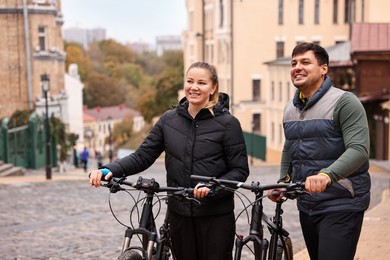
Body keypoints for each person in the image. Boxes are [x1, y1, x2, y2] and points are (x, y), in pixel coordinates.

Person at [89, 61, 249, 260]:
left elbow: (239, 170)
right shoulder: (168, 120)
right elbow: (142, 156)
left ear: (213, 87)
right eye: (190, 81)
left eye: (201, 82)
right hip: (179, 213)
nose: (194, 87)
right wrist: (109, 170)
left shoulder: (228, 124)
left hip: (215, 216)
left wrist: (213, 188)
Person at [268, 42, 370, 260]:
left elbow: (359, 149)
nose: (297, 67)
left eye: (305, 62)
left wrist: (327, 175)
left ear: (324, 69)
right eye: (294, 63)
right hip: (307, 205)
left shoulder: (345, 102)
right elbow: (290, 146)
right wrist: (283, 182)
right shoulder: (290, 108)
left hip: (341, 202)